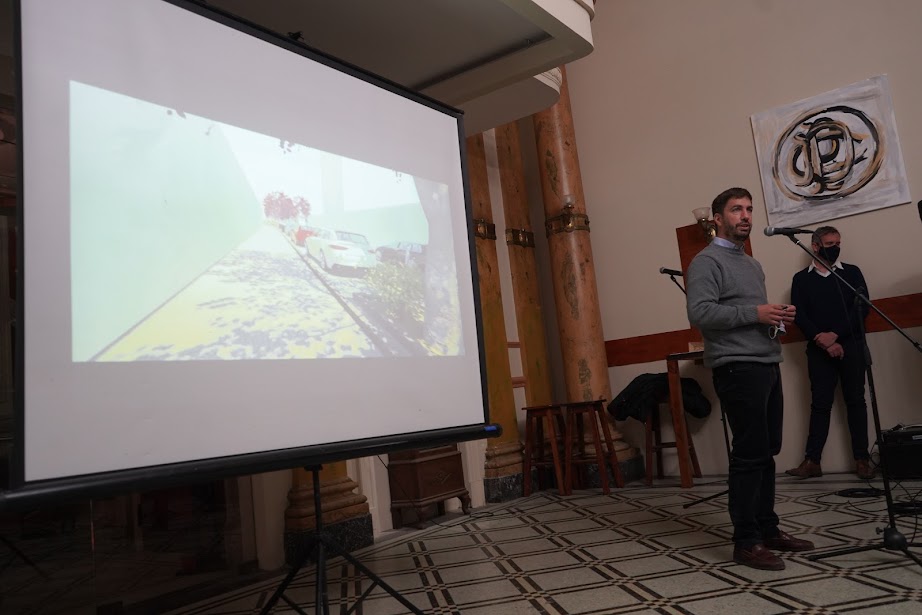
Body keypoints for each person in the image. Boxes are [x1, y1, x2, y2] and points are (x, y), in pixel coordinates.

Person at [686, 187, 814, 571]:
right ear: (717, 218)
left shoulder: (752, 264)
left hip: (766, 362)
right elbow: (700, 313)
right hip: (736, 367)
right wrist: (756, 313)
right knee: (748, 455)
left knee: (767, 450)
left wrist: (775, 320)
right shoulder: (705, 262)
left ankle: (768, 528)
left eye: (749, 209)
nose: (745, 215)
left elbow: (751, 314)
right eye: (736, 209)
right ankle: (746, 541)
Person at [785, 227, 873, 480]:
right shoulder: (801, 279)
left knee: (856, 401)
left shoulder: (851, 273)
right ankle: (812, 461)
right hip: (818, 349)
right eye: (829, 243)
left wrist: (835, 335)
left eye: (837, 243)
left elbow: (862, 309)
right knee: (820, 404)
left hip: (851, 346)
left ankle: (862, 460)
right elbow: (800, 314)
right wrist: (821, 339)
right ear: (815, 246)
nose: (835, 247)